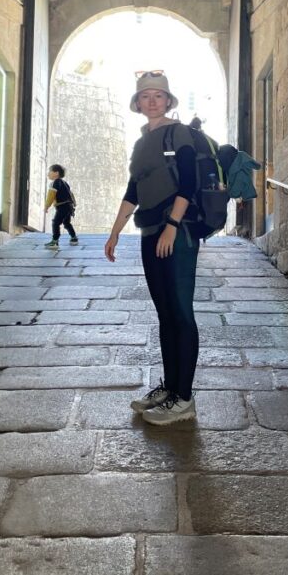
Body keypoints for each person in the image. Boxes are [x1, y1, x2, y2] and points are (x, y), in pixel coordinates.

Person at [105, 70, 200, 426]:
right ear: (138, 103)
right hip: (149, 231)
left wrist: (172, 226)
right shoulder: (142, 142)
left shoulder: (180, 133)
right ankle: (170, 388)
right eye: (145, 96)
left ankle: (184, 399)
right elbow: (133, 190)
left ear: (168, 100)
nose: (152, 101)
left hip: (177, 231)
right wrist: (115, 232)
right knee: (165, 313)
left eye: (158, 95)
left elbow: (188, 184)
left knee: (181, 312)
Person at [44, 164, 78, 249]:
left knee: (55, 223)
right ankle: (74, 238)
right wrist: (73, 204)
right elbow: (71, 194)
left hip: (62, 206)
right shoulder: (64, 183)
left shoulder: (55, 183)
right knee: (66, 223)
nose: (48, 174)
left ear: (56, 173)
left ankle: (55, 241)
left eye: (50, 171)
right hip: (69, 206)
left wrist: (46, 206)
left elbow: (51, 196)